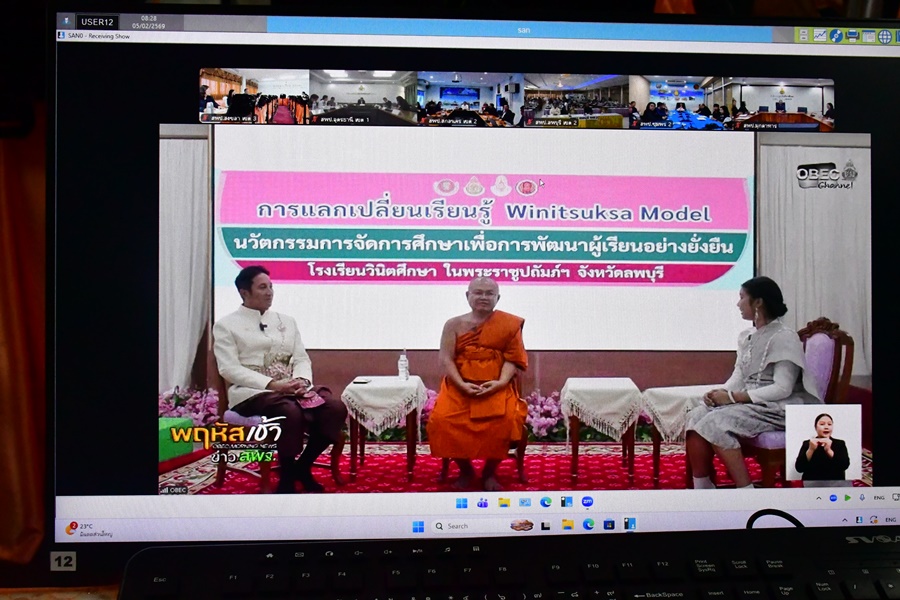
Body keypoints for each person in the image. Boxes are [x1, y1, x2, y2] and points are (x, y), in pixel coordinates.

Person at [213, 266, 348, 493]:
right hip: (252, 393)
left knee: (334, 408)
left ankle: (301, 467)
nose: (269, 292)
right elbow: (229, 368)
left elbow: (301, 358)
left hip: (292, 389)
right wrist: (273, 385)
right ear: (244, 293)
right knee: (289, 411)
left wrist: (301, 381)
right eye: (262, 287)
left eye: (271, 286)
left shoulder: (286, 321)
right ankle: (286, 477)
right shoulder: (226, 325)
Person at [685, 276, 821, 489]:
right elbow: (739, 375)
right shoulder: (746, 336)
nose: (738, 304)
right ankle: (703, 489)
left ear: (758, 302)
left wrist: (733, 398)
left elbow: (783, 388)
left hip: (778, 408)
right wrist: (720, 393)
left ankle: (746, 490)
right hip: (749, 404)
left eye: (742, 298)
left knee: (715, 422)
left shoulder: (784, 336)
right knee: (696, 416)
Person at [426, 277, 528, 491]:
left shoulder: (508, 325)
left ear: (497, 298)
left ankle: (489, 473)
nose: (483, 297)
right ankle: (466, 471)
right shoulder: (453, 324)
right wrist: (462, 385)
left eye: (489, 293)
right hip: (459, 388)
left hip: (496, 387)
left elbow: (513, 359)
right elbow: (446, 359)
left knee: (506, 421)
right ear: (468, 296)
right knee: (442, 421)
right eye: (478, 292)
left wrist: (500, 382)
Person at [795, 413, 850, 481]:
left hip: (835, 484)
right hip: (812, 484)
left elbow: (844, 465)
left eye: (829, 424)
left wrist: (828, 450)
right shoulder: (807, 443)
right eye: (822, 424)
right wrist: (811, 449)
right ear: (815, 427)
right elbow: (799, 468)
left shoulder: (840, 443)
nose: (826, 427)